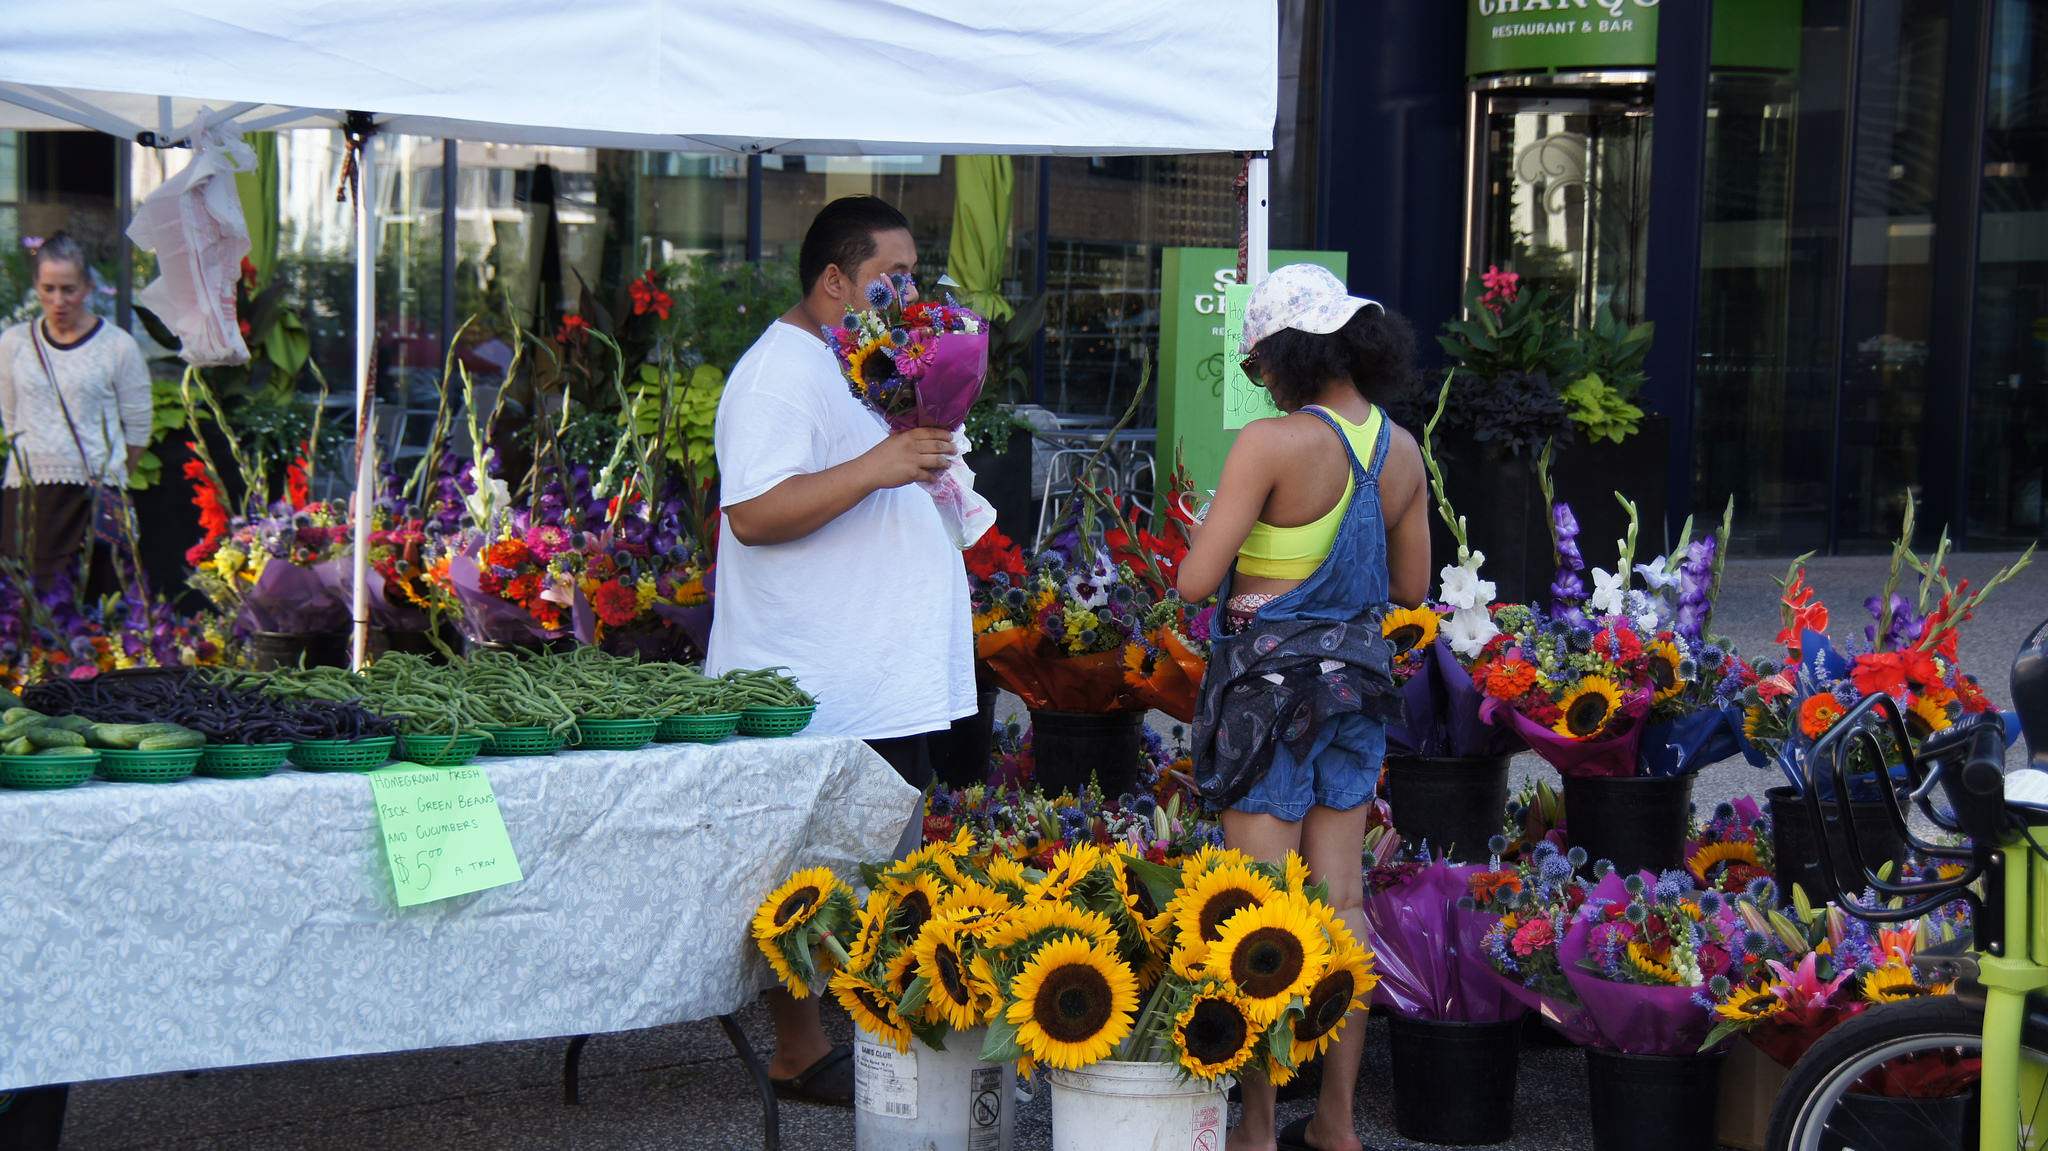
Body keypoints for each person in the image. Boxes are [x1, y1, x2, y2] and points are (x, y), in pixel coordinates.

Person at [706, 195, 976, 1106]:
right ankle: (798, 1048)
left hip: (882, 675)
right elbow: (753, 514)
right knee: (809, 873)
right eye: (887, 278)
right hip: (817, 681)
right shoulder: (780, 372)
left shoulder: (875, 362)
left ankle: (861, 1040)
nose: (907, 292)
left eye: (911, 275)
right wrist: (882, 463)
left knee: (877, 869)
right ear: (832, 281)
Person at [1177, 264, 1429, 1151]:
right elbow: (1411, 585)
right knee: (1343, 900)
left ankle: (1253, 1126)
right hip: (1356, 689)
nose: (1261, 381)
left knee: (1259, 912)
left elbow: (1195, 579)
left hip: (1268, 697)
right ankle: (1336, 1121)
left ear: (1285, 354)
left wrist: (1231, 537)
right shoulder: (1402, 449)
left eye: (1258, 366)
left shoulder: (1271, 444)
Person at [0, 232, 152, 593]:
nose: (58, 300)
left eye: (69, 289)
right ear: (36, 284)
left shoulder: (118, 346)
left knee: (90, 616)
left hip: (90, 503)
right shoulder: (13, 343)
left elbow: (138, 430)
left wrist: (109, 475)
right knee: (22, 616)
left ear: (87, 286)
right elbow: (11, 419)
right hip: (27, 501)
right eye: (48, 288)